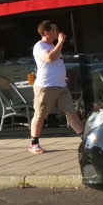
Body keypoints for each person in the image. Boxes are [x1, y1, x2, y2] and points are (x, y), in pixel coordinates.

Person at [29, 21, 83, 154]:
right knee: (40, 115)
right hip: (46, 87)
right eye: (55, 30)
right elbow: (49, 58)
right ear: (46, 32)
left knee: (71, 113)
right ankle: (34, 143)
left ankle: (84, 138)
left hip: (61, 86)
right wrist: (60, 43)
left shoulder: (53, 45)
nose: (58, 32)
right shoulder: (39, 46)